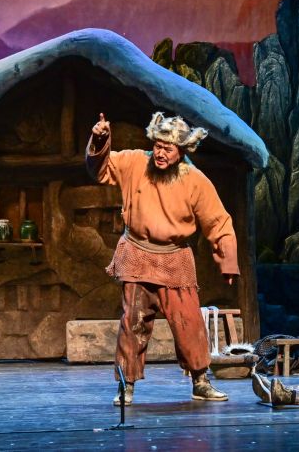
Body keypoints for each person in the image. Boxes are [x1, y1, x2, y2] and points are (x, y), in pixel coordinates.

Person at [86, 111, 240, 405]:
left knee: (189, 322)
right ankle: (126, 385)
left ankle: (200, 381)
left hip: (174, 258)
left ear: (181, 151)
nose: (160, 153)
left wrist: (228, 260)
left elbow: (218, 221)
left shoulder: (195, 180)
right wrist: (100, 139)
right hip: (136, 254)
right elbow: (101, 168)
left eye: (168, 149)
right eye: (157, 146)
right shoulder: (134, 162)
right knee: (132, 322)